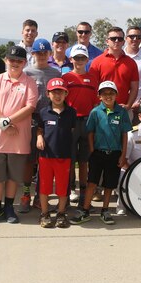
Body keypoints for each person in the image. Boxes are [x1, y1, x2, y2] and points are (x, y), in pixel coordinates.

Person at [0, 46, 38, 225]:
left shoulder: (29, 82)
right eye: (12, 60)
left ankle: (9, 207)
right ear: (6, 60)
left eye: (19, 61)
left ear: (25, 63)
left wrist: (7, 121)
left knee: (13, 177)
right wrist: (5, 125)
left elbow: (30, 107)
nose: (15, 63)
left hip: (18, 139)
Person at [71, 81, 132, 226]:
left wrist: (123, 155)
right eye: (104, 93)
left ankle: (105, 210)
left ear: (116, 95)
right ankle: (85, 210)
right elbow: (90, 132)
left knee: (109, 184)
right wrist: (92, 150)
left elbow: (124, 134)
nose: (108, 96)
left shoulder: (122, 112)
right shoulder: (95, 112)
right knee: (92, 182)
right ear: (99, 96)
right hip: (98, 153)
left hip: (115, 154)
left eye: (111, 93)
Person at [20, 38, 61, 213]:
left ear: (49, 54)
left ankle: (40, 195)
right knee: (30, 159)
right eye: (38, 52)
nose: (42, 55)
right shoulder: (27, 72)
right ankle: (26, 193)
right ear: (33, 54)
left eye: (45, 52)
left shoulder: (55, 72)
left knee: (45, 159)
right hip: (32, 117)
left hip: (50, 119)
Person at [35, 78, 77, 228]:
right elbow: (40, 128)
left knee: (62, 186)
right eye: (54, 92)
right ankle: (45, 214)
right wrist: (39, 137)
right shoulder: (43, 112)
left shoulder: (71, 112)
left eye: (61, 92)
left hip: (64, 156)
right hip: (46, 156)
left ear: (66, 94)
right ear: (48, 94)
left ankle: (61, 213)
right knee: (45, 186)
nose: (57, 96)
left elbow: (72, 130)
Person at [62, 44, 99, 206]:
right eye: (76, 58)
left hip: (87, 122)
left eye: (82, 58)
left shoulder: (93, 78)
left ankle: (83, 191)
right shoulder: (65, 78)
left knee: (84, 160)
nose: (79, 61)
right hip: (70, 122)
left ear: (87, 59)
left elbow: (97, 103)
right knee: (69, 158)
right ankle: (70, 190)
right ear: (71, 59)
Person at [89, 27, 139, 113]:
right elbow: (93, 87)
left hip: (123, 109)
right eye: (113, 38)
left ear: (123, 42)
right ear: (107, 41)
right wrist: (97, 105)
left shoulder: (131, 63)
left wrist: (128, 105)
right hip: (101, 109)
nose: (116, 41)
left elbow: (134, 88)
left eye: (119, 39)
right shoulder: (97, 62)